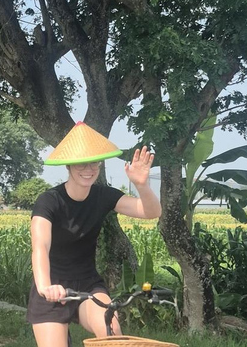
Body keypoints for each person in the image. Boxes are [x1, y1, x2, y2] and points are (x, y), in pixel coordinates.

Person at [27, 122, 162, 346]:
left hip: (88, 283)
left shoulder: (103, 195)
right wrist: (44, 286)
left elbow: (151, 212)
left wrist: (142, 185)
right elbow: (40, 246)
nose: (88, 169)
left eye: (94, 163)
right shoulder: (49, 201)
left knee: (112, 332)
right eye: (81, 163)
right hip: (52, 284)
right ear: (69, 165)